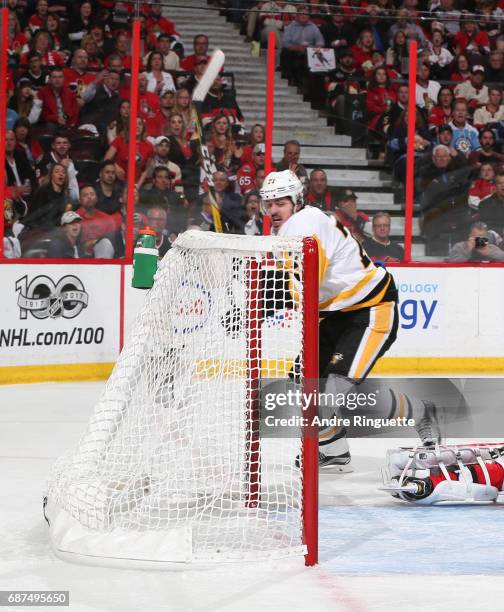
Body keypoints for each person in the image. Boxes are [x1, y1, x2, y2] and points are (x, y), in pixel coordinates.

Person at [259, 170, 438, 469]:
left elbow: (304, 282)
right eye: (269, 204)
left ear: (296, 201)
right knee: (304, 386)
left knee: (332, 395)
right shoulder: (291, 228)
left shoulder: (304, 223)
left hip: (370, 308)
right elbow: (293, 283)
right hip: (336, 314)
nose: (274, 210)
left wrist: (259, 305)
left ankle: (421, 412)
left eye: (280, 202)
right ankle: (333, 449)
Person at [75, 184, 118, 256]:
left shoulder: (106, 219)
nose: (89, 197)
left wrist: (95, 242)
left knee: (105, 243)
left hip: (101, 257)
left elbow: (113, 242)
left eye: (92, 194)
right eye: (85, 195)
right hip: (80, 257)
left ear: (96, 198)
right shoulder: (74, 219)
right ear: (80, 200)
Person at [479, 173, 504, 237]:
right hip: (496, 238)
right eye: (500, 183)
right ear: (495, 186)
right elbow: (487, 227)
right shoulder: (485, 205)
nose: (503, 185)